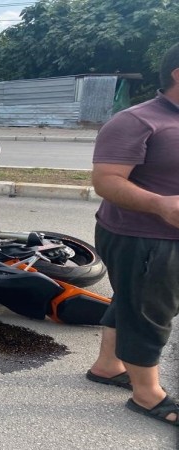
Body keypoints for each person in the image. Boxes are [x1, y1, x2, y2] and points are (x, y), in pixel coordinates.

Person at [85, 43, 179, 428]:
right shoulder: (138, 120)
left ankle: (108, 365)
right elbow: (105, 181)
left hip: (160, 238)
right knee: (150, 311)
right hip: (145, 236)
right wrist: (160, 205)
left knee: (133, 297)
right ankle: (147, 395)